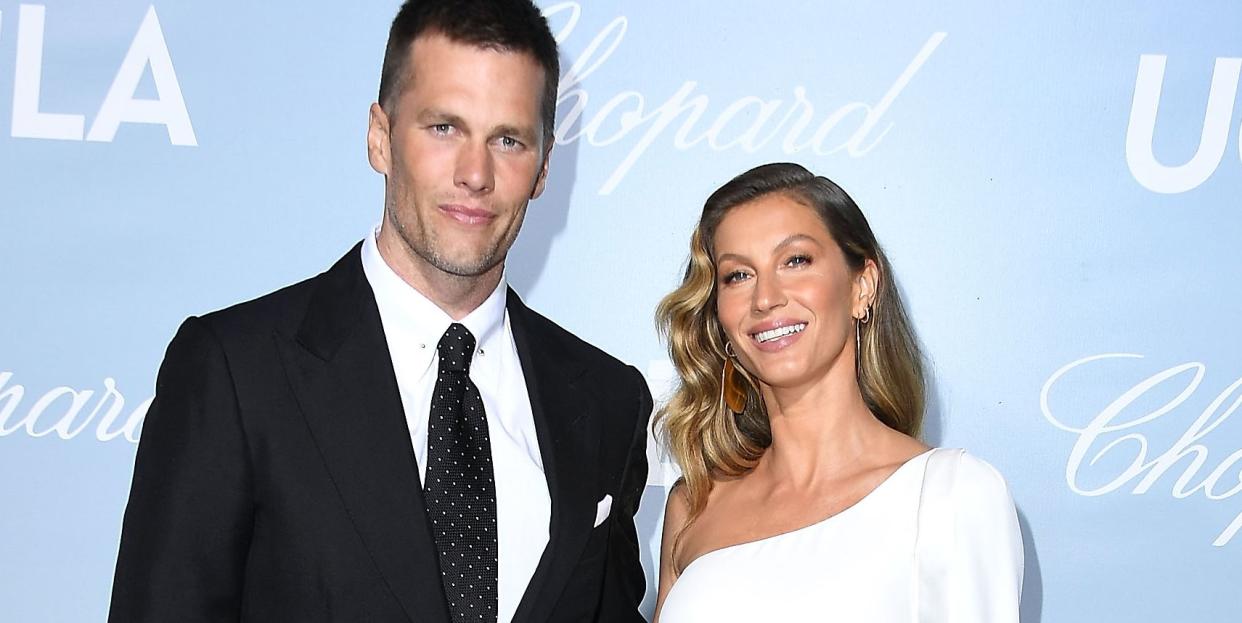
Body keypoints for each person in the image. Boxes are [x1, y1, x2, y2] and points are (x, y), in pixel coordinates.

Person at [107, 1, 652, 622]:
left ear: (544, 165)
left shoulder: (609, 401)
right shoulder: (237, 372)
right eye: (444, 127)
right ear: (380, 137)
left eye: (508, 139)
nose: (476, 173)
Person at [651, 163, 1023, 622]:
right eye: (738, 276)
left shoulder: (951, 493)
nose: (765, 297)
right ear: (720, 319)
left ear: (861, 286)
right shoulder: (695, 504)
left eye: (795, 261)